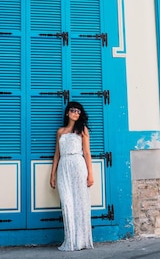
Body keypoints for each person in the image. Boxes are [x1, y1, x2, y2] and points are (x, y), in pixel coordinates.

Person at [50, 101, 94, 251]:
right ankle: (70, 240)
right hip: (63, 166)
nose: (75, 113)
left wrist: (90, 175)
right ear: (67, 112)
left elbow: (87, 153)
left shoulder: (83, 130)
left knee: (80, 203)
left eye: (78, 111)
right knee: (67, 203)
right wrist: (52, 174)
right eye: (73, 110)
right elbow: (57, 154)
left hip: (78, 165)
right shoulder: (60, 132)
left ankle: (81, 241)